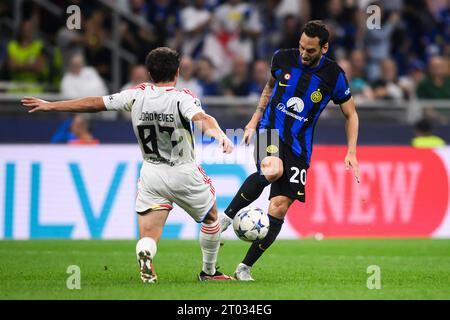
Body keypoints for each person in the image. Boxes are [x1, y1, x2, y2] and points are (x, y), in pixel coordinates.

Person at [21, 47, 234, 283]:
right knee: (212, 218)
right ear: (177, 71)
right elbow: (202, 118)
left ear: (150, 73)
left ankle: (146, 255)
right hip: (183, 170)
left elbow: (94, 103)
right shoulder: (183, 97)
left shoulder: (136, 94)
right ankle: (209, 272)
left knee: (150, 234)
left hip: (151, 171)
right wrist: (219, 136)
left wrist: (52, 105)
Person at [220, 20, 360, 281]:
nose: (304, 54)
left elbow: (351, 115)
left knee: (279, 207)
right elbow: (269, 88)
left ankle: (244, 268)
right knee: (273, 170)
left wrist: (351, 151)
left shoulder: (335, 76)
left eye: (310, 51)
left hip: (300, 147)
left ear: (324, 48)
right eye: (301, 47)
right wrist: (253, 120)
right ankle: (225, 220)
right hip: (268, 130)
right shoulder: (282, 58)